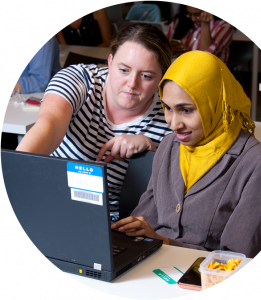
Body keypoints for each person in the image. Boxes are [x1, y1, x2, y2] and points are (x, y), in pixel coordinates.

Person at [111, 51, 261, 258]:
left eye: (186, 110)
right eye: (167, 108)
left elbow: (237, 258)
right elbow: (145, 217)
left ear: (214, 103)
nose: (174, 124)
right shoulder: (169, 145)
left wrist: (163, 242)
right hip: (154, 263)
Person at [16, 23, 173, 222]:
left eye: (146, 76)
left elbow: (175, 191)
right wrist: (16, 175)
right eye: (124, 70)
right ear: (110, 62)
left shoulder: (170, 116)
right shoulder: (78, 78)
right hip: (50, 206)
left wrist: (151, 149)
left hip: (114, 226)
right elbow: (50, 125)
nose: (132, 84)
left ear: (162, 77)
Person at [166, 4, 234, 64]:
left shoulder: (224, 25)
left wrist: (205, 24)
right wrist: (170, 49)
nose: (193, 19)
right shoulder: (179, 20)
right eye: (189, 14)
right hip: (181, 71)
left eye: (197, 14)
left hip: (210, 73)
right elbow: (163, 46)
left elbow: (206, 55)